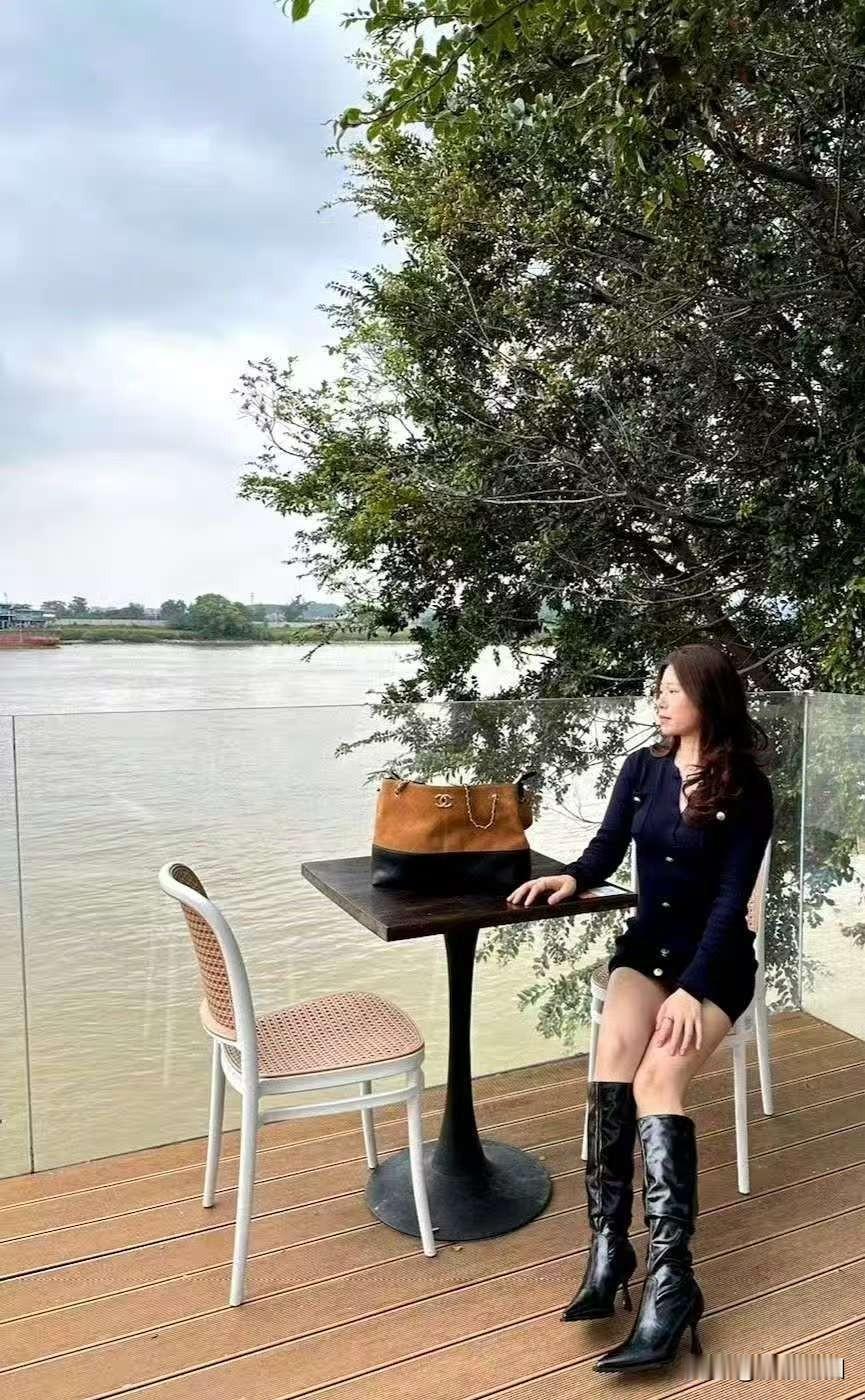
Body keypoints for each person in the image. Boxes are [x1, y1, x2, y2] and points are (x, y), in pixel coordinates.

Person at [506, 643, 774, 1373]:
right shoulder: (642, 767)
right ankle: (608, 1245)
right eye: (657, 689)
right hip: (647, 948)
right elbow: (604, 851)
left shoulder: (746, 787)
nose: (659, 700)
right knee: (611, 1062)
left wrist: (693, 987)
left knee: (658, 1081)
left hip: (713, 963)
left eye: (673, 691)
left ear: (708, 698)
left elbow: (732, 900)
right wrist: (569, 879)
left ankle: (671, 1283)